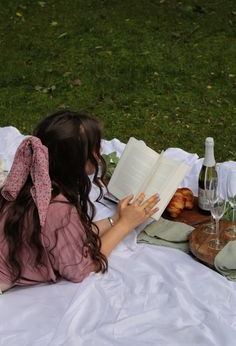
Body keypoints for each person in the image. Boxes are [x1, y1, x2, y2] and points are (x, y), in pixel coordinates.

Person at [0, 109, 159, 293]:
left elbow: (70, 235)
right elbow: (80, 269)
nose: (102, 151)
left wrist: (115, 219)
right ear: (75, 161)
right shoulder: (56, 207)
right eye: (96, 147)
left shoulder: (30, 179)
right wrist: (125, 224)